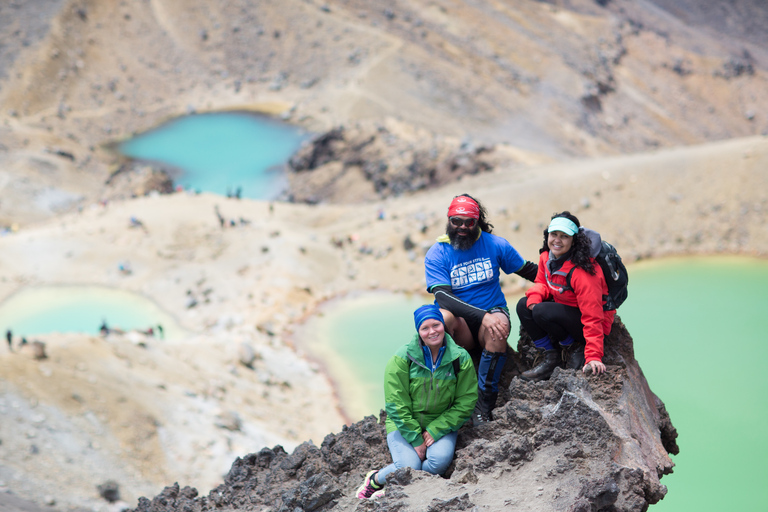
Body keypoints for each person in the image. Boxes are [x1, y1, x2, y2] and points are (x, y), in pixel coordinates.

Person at [424, 194, 537, 425]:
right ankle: (443, 390)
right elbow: (443, 297)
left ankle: (483, 405)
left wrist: (567, 275)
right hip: (461, 325)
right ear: (449, 220)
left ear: (477, 222)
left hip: (491, 314)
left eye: (469, 222)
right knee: (439, 320)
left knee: (500, 326)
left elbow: (528, 271)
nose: (462, 227)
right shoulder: (438, 253)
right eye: (457, 221)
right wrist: (481, 316)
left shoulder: (495, 245)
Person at [356, 304, 478, 500]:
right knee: (409, 467)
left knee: (437, 464)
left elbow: (466, 400)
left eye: (436, 325)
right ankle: (376, 479)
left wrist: (437, 428)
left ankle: (398, 486)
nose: (432, 331)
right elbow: (396, 404)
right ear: (418, 331)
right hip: (403, 423)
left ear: (443, 325)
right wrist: (416, 438)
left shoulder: (459, 358)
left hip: (440, 422)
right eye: (425, 328)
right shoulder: (401, 359)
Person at [516, 211, 616, 381]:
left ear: (574, 240)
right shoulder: (546, 257)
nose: (557, 240)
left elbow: (593, 316)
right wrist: (535, 297)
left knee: (541, 311)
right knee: (523, 305)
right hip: (568, 313)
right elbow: (542, 282)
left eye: (564, 236)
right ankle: (550, 356)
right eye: (553, 234)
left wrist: (593, 356)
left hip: (590, 324)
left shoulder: (583, 272)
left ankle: (574, 347)